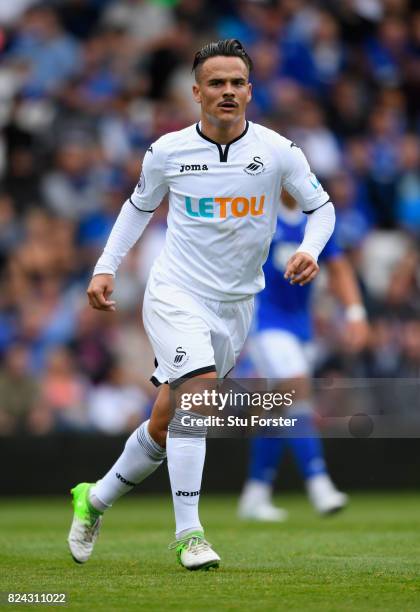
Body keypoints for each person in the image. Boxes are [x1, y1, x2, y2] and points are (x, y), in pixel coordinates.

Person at [67, 39, 335, 571]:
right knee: (201, 398)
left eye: (237, 82)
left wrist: (309, 249)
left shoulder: (278, 151)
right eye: (216, 83)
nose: (228, 91)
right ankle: (190, 536)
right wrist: (105, 266)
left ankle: (93, 499)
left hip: (236, 306)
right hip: (174, 293)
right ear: (197, 92)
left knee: (166, 424)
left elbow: (321, 209)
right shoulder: (168, 151)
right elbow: (137, 207)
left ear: (250, 91)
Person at [239, 190, 369, 521]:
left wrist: (354, 313)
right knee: (297, 387)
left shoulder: (317, 221)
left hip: (301, 327)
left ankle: (256, 492)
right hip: (264, 320)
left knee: (279, 406)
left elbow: (338, 268)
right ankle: (318, 483)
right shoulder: (261, 213)